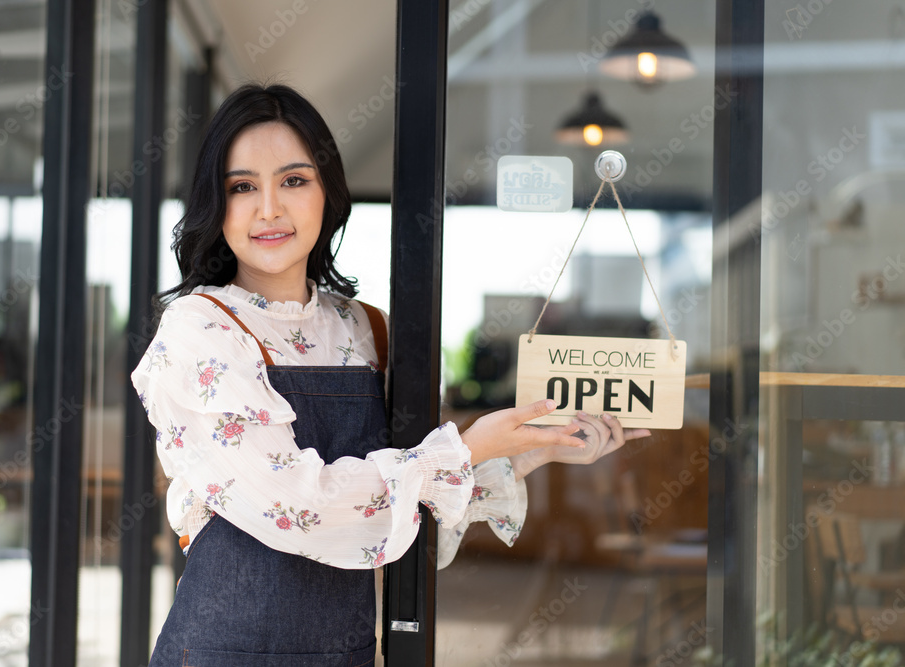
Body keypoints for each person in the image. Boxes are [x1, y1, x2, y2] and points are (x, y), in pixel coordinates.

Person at [131, 82, 650, 666]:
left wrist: (540, 447)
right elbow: (301, 506)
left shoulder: (366, 329)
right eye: (243, 186)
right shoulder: (199, 329)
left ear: (328, 193)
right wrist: (464, 449)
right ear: (214, 203)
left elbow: (403, 511)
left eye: (294, 180)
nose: (269, 208)